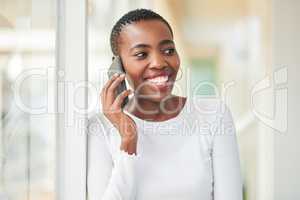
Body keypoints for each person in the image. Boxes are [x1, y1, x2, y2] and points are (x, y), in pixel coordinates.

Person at [87, 8, 243, 200]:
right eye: (141, 54)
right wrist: (128, 137)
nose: (159, 63)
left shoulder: (213, 114)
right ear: (118, 66)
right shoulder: (100, 128)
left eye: (168, 50)